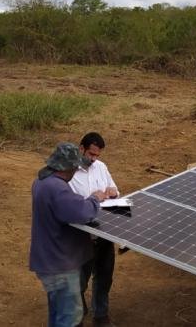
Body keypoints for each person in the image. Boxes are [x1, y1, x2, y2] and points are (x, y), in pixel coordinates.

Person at [30, 142, 107, 327]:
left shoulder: (41, 181)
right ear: (68, 167)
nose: (76, 171)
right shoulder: (57, 189)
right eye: (75, 167)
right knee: (69, 317)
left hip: (48, 261)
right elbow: (82, 212)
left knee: (57, 314)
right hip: (60, 265)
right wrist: (95, 199)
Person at [69, 133, 118, 327]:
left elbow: (113, 189)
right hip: (81, 237)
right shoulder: (69, 173)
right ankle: (78, 315)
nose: (93, 159)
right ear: (81, 148)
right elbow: (70, 206)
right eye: (91, 154)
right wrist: (93, 198)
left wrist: (112, 192)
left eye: (97, 155)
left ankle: (101, 316)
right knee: (79, 281)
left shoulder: (101, 167)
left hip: (104, 231)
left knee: (104, 277)